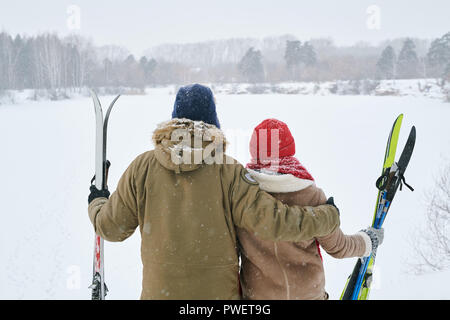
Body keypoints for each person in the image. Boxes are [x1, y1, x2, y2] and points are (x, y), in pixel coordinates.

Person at [87, 84, 341, 300]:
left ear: (173, 119)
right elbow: (275, 223)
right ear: (213, 122)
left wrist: (98, 201)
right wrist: (327, 216)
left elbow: (111, 228)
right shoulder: (229, 172)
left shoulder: (142, 167)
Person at [238, 118, 384, 300]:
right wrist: (367, 242)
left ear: (254, 151)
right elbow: (338, 247)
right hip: (307, 295)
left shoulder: (242, 197)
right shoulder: (310, 195)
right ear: (290, 148)